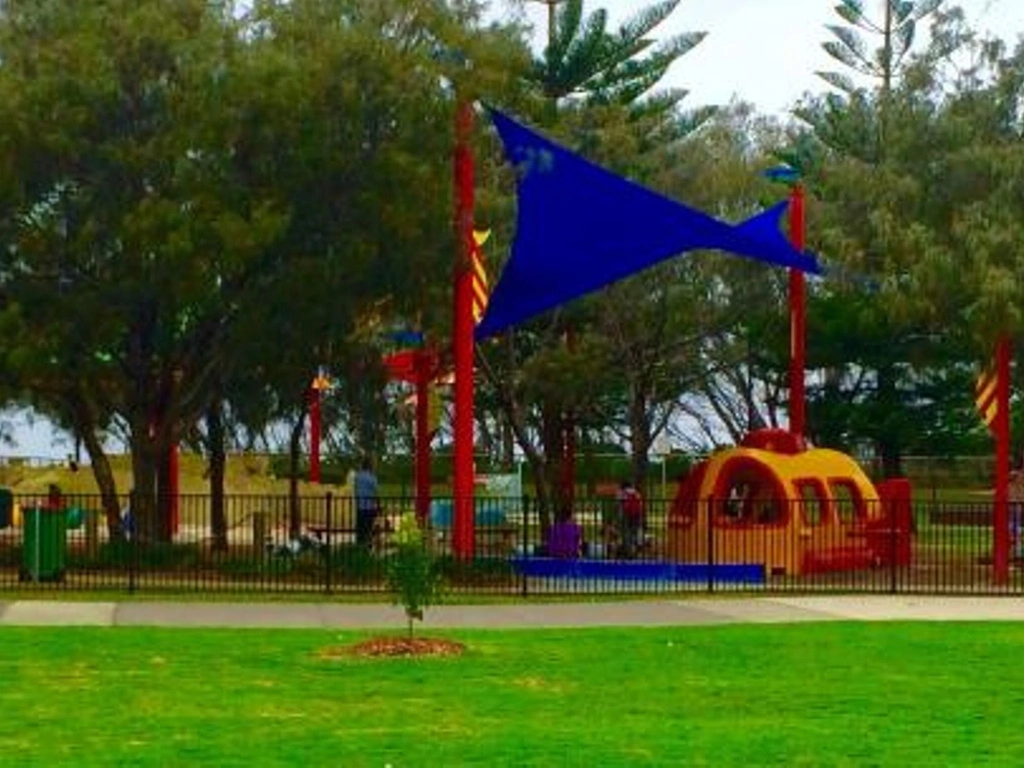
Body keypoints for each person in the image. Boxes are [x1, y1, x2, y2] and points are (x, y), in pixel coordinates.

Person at [353, 457, 380, 548]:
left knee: (360, 529)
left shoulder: (357, 476)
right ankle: (368, 545)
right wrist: (379, 505)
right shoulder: (372, 478)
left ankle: (359, 546)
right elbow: (376, 492)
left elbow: (354, 490)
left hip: (359, 506)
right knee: (369, 529)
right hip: (369, 507)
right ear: (370, 466)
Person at [617, 480, 644, 559]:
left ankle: (629, 552)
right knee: (634, 532)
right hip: (636, 515)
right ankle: (636, 549)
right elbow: (640, 503)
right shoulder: (636, 492)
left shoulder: (622, 492)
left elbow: (618, 504)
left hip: (626, 515)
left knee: (626, 533)